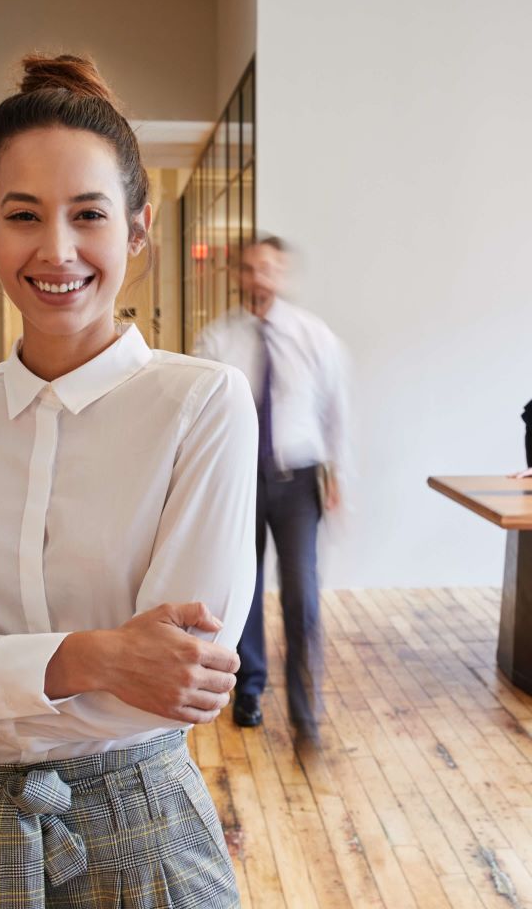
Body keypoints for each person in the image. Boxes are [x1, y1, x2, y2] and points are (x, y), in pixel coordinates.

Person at [0, 54, 258, 909]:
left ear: (137, 229)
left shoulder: (201, 402)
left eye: (90, 215)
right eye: (24, 215)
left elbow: (184, 675)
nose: (57, 249)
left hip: (142, 825)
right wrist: (94, 657)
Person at [193, 236, 347, 748]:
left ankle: (306, 710)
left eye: (269, 269)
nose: (260, 278)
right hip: (240, 481)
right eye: (252, 268)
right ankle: (250, 690)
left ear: (281, 276)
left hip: (298, 480)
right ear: (238, 275)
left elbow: (334, 409)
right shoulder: (217, 340)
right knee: (246, 588)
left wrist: (338, 473)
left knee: (302, 593)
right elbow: (201, 415)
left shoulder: (312, 336)